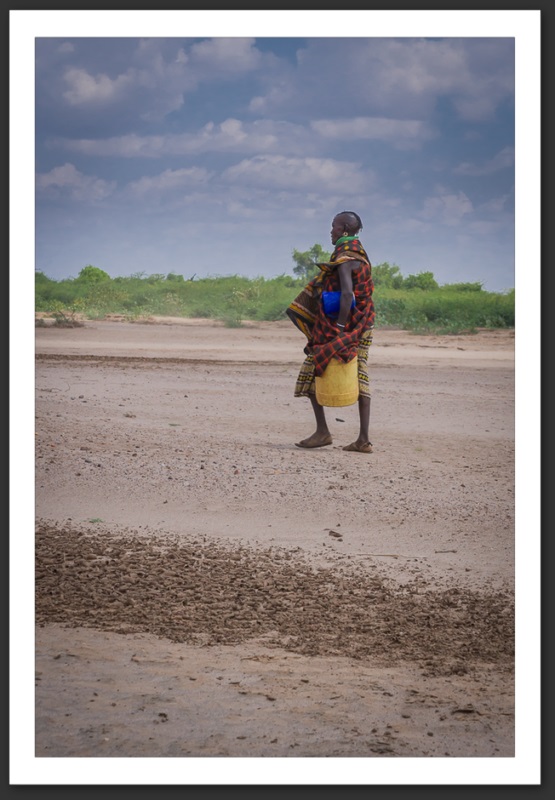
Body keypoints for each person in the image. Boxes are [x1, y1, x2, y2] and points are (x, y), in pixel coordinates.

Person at [286, 211, 375, 453]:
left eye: (334, 227)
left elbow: (347, 294)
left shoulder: (345, 258)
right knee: (360, 373)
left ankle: (323, 432)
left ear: (344, 229)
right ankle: (363, 439)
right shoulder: (361, 255)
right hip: (364, 324)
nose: (331, 231)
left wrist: (340, 327)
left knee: (313, 366)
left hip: (343, 325)